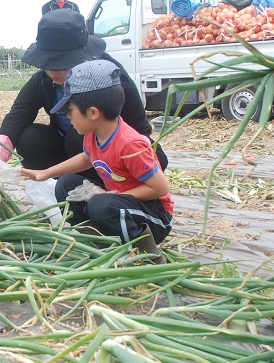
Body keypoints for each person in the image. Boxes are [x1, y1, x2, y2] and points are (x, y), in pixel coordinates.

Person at [0, 10, 167, 190]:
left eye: (61, 63)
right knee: (30, 138)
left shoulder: (109, 78)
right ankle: (61, 190)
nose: (52, 71)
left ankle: (97, 191)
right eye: (48, 64)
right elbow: (16, 120)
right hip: (73, 156)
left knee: (80, 135)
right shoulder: (43, 81)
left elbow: (140, 132)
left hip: (113, 160)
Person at [21, 60, 173, 264]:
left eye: (70, 110)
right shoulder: (93, 134)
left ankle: (144, 252)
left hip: (153, 216)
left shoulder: (130, 144)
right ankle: (92, 236)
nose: (68, 117)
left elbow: (160, 188)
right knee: (66, 183)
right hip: (119, 204)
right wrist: (46, 173)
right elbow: (86, 158)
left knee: (101, 204)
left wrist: (111, 196)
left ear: (93, 113)